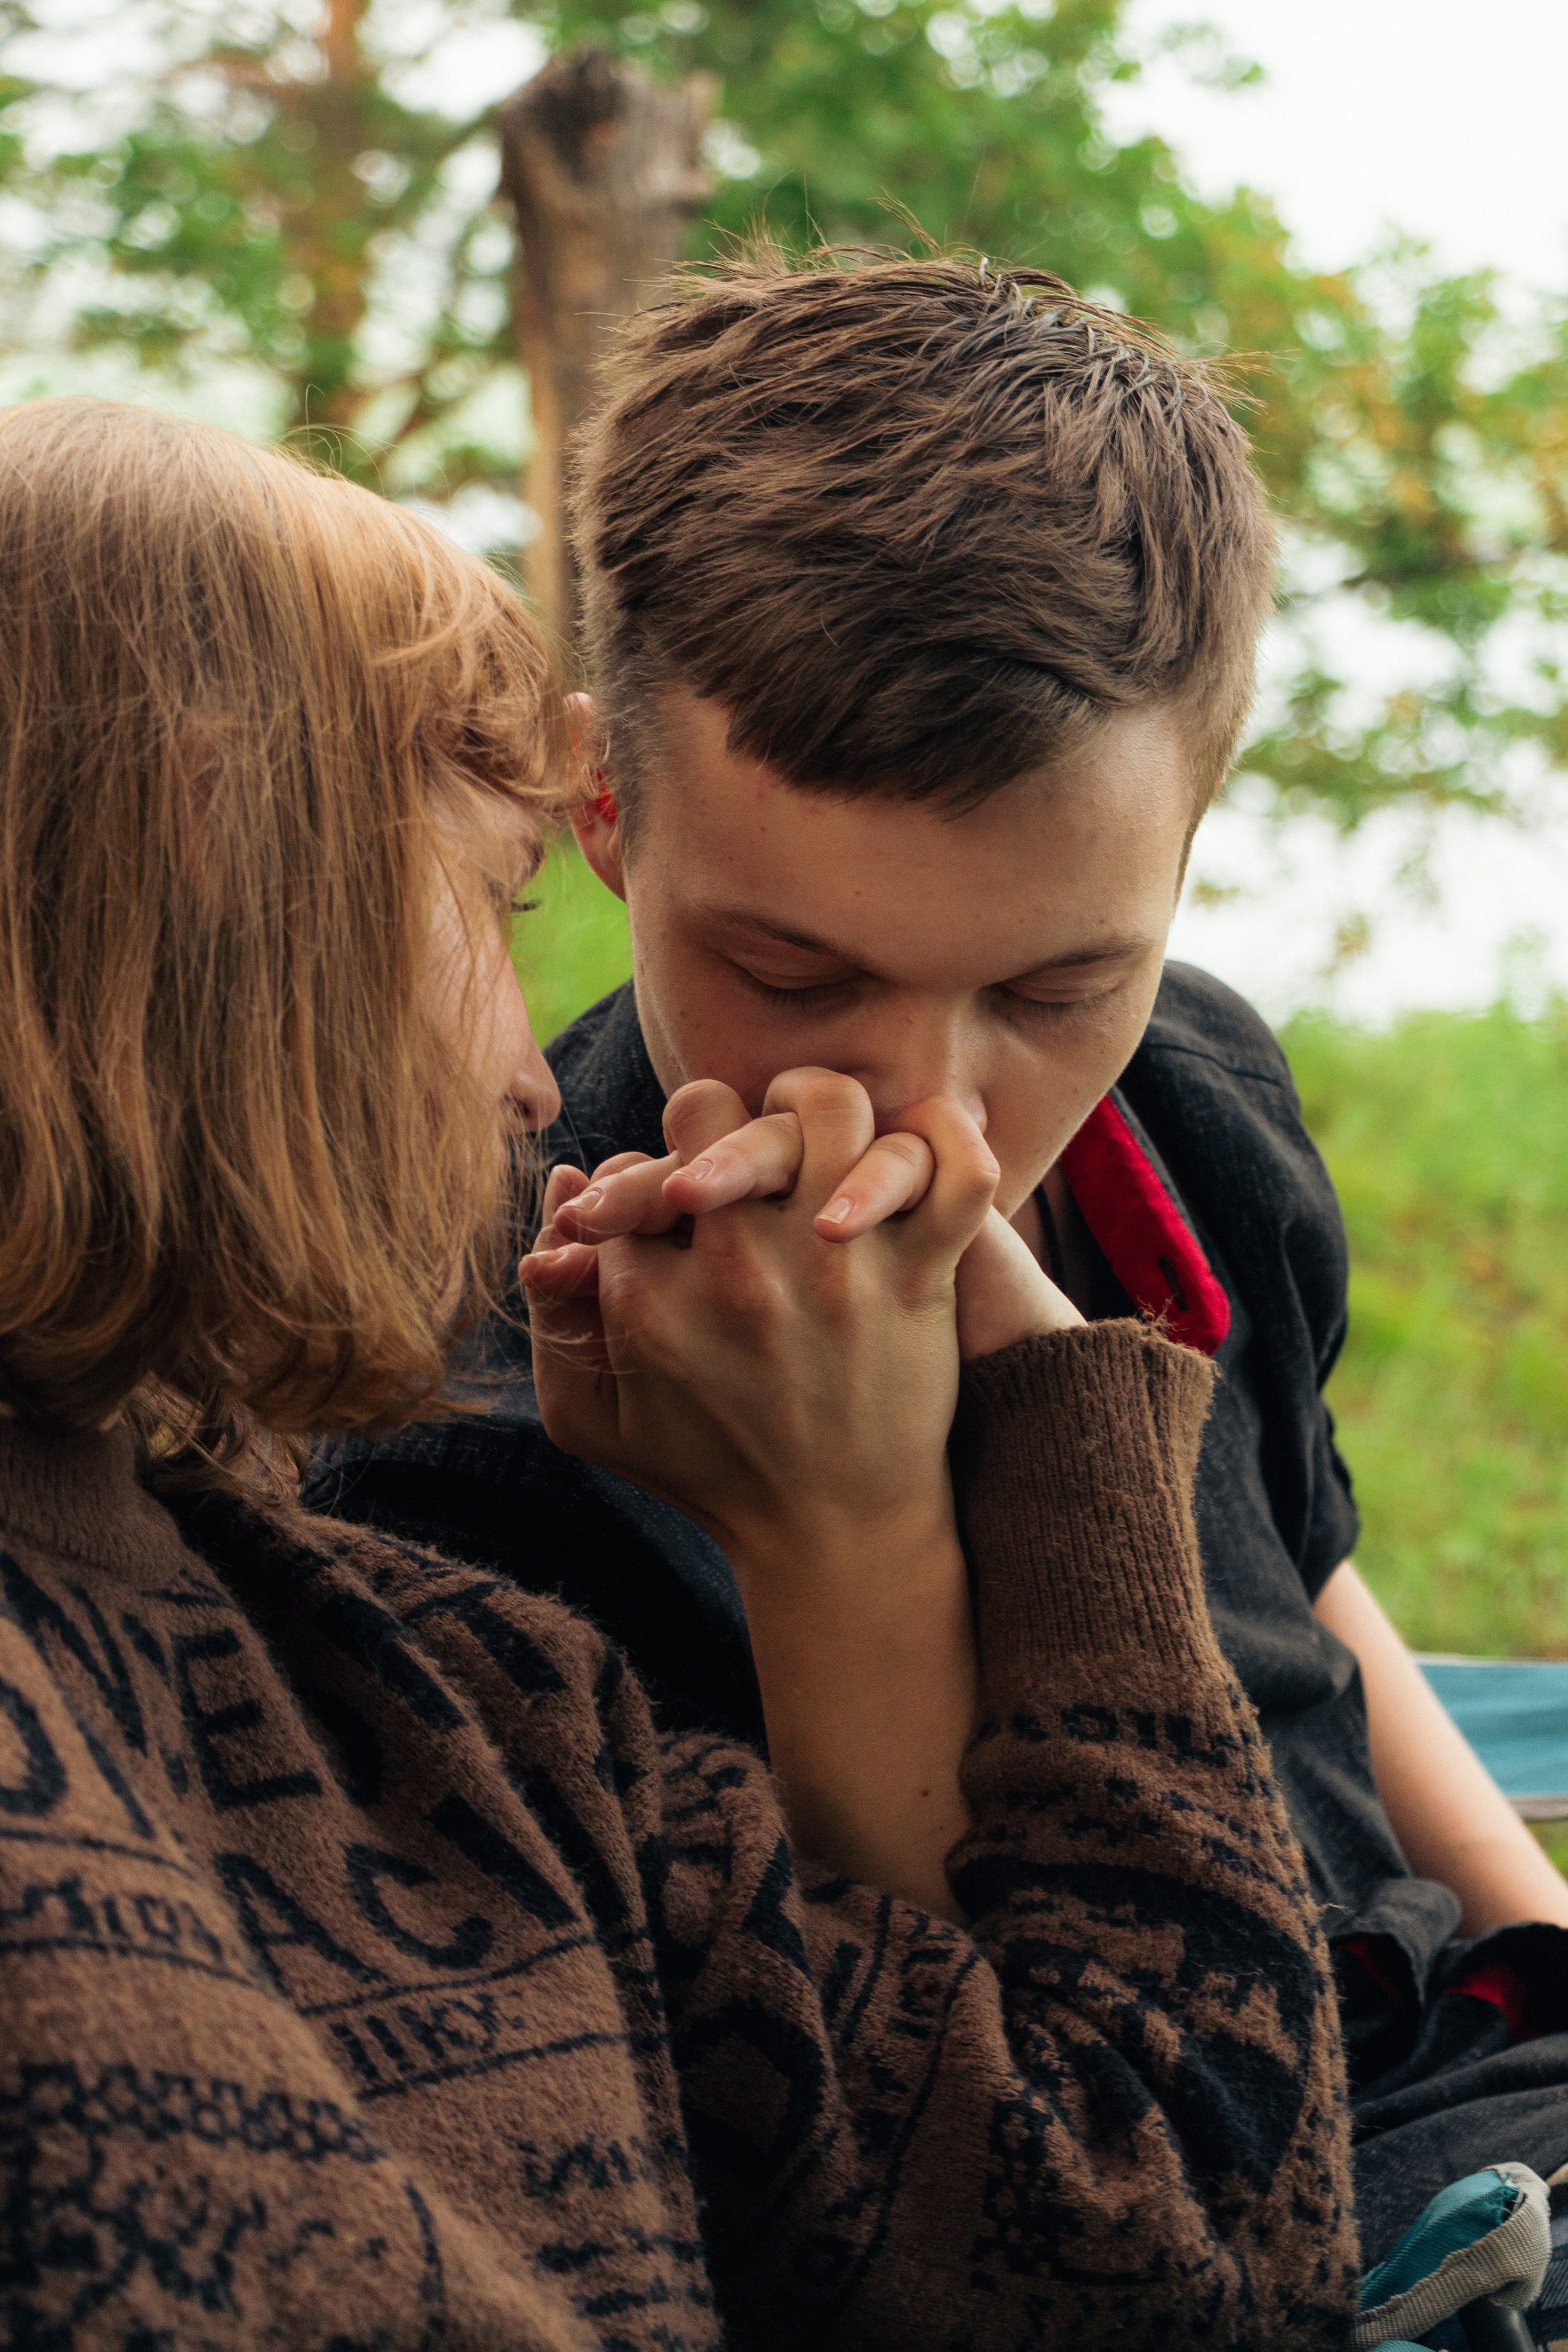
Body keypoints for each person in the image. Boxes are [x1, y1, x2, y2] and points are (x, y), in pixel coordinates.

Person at [0, 393, 1359, 2348]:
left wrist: (980, 1447)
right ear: (208, 895)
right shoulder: (439, 1587)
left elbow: (1170, 2255)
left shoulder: (454, 1691)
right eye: (483, 894)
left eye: (1058, 988)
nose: (529, 1077)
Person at [309, 247, 1568, 2257]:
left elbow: (1318, 1596)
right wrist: (850, 1517)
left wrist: (1538, 1938)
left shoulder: (1195, 1107)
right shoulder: (472, 1438)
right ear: (605, 803)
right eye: (793, 971)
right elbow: (960, 2180)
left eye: (1065, 981)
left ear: (1191, 841)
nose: (941, 1120)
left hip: (1471, 2077)